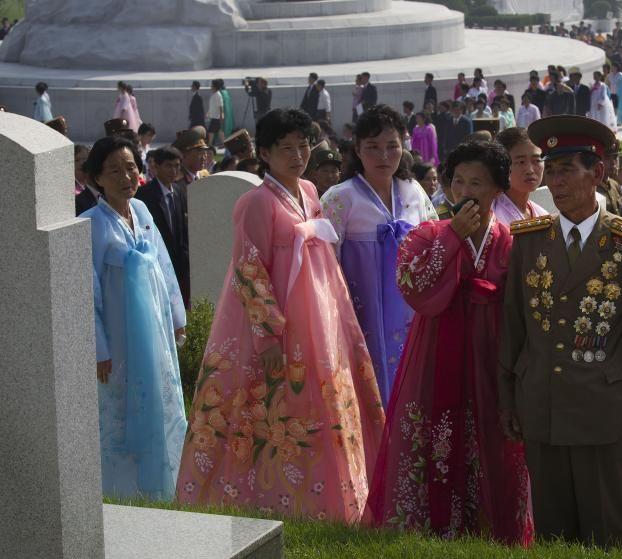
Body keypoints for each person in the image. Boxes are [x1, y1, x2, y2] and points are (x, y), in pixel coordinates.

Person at [175, 108, 385, 521]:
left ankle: (328, 496)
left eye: (303, 145)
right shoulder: (255, 203)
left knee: (317, 402)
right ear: (265, 153)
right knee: (272, 406)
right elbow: (249, 269)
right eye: (285, 148)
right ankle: (268, 495)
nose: (297, 155)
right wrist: (268, 333)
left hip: (321, 316)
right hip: (282, 321)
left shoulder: (308, 192)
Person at [499, 115, 622, 547]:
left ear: (599, 173)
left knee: (605, 529)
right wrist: (508, 398)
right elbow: (514, 325)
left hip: (602, 408)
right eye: (550, 171)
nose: (554, 182)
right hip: (542, 404)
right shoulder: (530, 240)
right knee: (552, 532)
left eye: (566, 170)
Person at [367, 141, 534, 545]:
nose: (465, 191)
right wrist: (453, 238)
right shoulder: (428, 234)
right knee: (436, 431)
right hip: (437, 351)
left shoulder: (512, 241)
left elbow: (524, 306)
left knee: (492, 435)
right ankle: (429, 525)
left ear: (498, 189)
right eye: (458, 181)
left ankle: (494, 528)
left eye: (477, 183)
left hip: (493, 353)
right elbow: (413, 287)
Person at [80, 136, 186, 500]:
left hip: (154, 330)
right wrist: (98, 347)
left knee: (162, 397)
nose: (126, 176)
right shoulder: (90, 224)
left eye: (130, 167)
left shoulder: (142, 212)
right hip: (120, 338)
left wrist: (176, 315)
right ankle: (122, 492)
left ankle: (165, 484)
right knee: (120, 411)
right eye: (114, 170)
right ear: (96, 177)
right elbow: (86, 290)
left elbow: (164, 265)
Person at [321, 105, 438, 407]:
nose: (383, 156)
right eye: (372, 147)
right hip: (362, 315)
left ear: (404, 145)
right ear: (357, 149)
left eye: (391, 146)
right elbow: (323, 264)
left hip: (413, 312)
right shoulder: (340, 197)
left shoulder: (414, 191)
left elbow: (436, 243)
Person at [136, 146, 191, 309]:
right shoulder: (144, 194)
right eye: (168, 165)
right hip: (157, 260)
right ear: (156, 167)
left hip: (180, 263)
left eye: (177, 166)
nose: (173, 170)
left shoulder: (180, 191)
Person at [492, 128, 549, 224]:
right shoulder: (492, 217)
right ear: (501, 165)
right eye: (521, 162)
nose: (530, 170)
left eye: (537, 160)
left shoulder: (542, 214)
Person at [206, 80, 224, 146]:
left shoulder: (218, 95)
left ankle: (210, 144)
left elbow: (221, 106)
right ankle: (224, 143)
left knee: (211, 131)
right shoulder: (214, 95)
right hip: (214, 116)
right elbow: (212, 106)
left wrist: (221, 115)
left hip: (216, 117)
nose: (210, 86)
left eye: (212, 85)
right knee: (219, 131)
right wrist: (208, 112)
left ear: (215, 86)